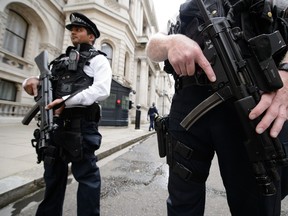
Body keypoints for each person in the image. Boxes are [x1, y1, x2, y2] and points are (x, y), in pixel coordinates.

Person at [146, 0, 288, 215]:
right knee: (182, 203)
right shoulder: (191, 8)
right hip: (189, 106)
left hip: (252, 104)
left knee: (257, 203)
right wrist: (171, 43)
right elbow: (152, 47)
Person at [23, 12, 112, 216]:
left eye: (79, 30)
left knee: (87, 179)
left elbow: (101, 90)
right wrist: (29, 81)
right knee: (53, 178)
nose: (73, 33)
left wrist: (67, 101)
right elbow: (39, 80)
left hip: (80, 127)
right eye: (72, 30)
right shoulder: (59, 61)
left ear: (91, 36)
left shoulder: (98, 60)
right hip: (53, 126)